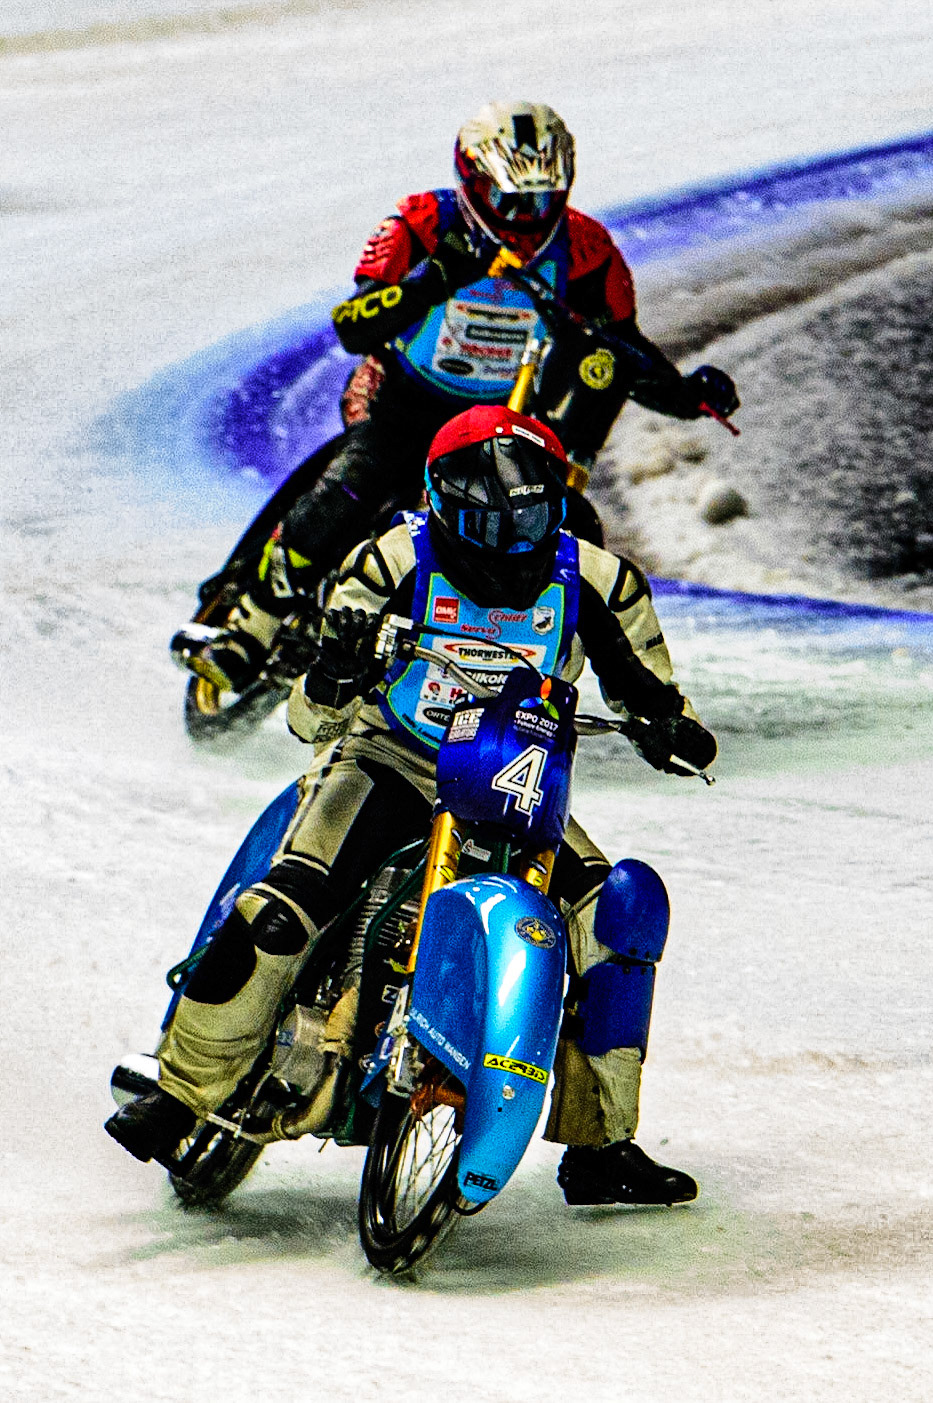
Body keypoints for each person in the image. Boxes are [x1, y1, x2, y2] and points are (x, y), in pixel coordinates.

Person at [108, 404, 718, 1207]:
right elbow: (306, 719)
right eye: (482, 516)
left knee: (618, 918)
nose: (506, 535)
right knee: (283, 908)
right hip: (389, 757)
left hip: (515, 777)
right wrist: (332, 670)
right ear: (439, 502)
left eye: (527, 513)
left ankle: (601, 1144)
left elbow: (650, 688)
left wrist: (668, 726)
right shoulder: (388, 559)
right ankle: (181, 1095)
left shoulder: (602, 582)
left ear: (557, 502)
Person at [182, 99, 738, 698]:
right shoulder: (421, 224)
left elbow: (623, 349)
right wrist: (434, 279)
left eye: (544, 199)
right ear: (473, 183)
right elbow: (352, 326)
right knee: (361, 477)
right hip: (400, 397)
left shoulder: (587, 250)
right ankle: (251, 624)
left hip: (501, 422)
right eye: (509, 199)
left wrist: (687, 394)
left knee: (553, 518)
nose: (526, 217)